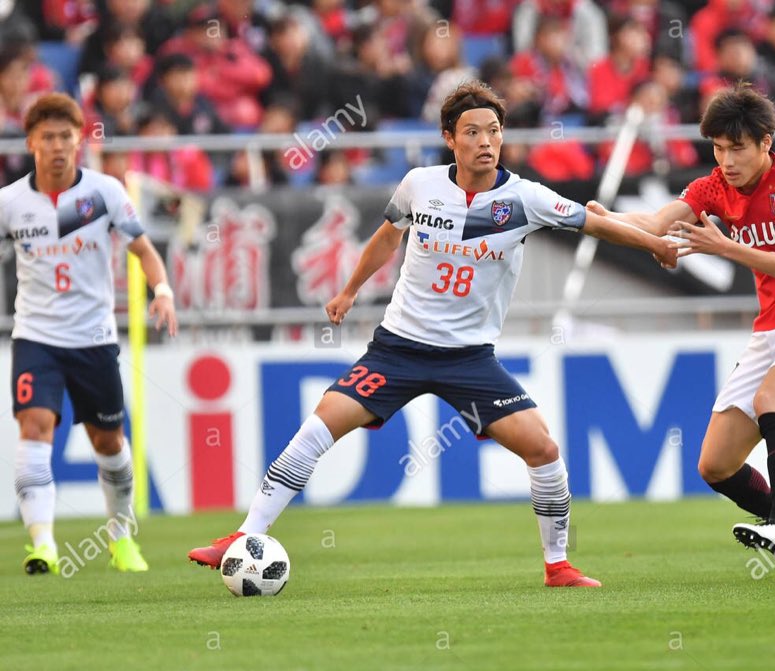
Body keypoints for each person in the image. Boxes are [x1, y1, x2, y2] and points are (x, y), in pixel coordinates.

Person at [188, 80, 680, 587]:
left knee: (543, 450)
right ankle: (243, 535)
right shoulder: (419, 185)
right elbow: (387, 237)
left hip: (469, 359)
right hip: (398, 349)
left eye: (494, 131)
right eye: (473, 132)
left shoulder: (525, 198)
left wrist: (653, 245)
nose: (486, 141)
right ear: (449, 137)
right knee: (318, 427)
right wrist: (350, 290)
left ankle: (558, 565)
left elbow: (595, 225)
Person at [588, 84, 775, 580]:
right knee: (715, 465)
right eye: (718, 148)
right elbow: (658, 223)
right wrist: (606, 218)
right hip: (770, 331)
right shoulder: (713, 186)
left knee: (771, 401)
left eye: (737, 148)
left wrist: (724, 247)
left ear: (766, 142)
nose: (726, 160)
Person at [0, 93, 178, 574]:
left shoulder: (104, 193)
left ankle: (121, 538)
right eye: (48, 137)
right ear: (31, 142)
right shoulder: (11, 202)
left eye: (66, 137)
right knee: (34, 426)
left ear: (79, 140)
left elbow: (144, 250)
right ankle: (43, 545)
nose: (58, 146)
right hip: (36, 337)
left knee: (109, 442)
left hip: (94, 338)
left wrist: (162, 291)